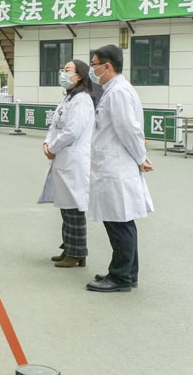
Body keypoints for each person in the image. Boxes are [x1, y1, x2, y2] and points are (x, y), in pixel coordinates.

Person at [86, 45, 154, 293]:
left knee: (119, 222)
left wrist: (140, 157)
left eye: (94, 65)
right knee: (121, 222)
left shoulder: (118, 92)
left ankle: (120, 276)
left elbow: (129, 129)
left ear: (107, 66)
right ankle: (127, 272)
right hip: (113, 166)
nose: (92, 70)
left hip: (116, 167)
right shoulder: (114, 90)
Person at [39, 59, 94, 268]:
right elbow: (54, 126)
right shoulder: (68, 98)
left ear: (78, 76)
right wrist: (47, 144)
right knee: (65, 207)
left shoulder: (82, 100)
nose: (63, 73)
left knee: (74, 207)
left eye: (67, 70)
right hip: (62, 157)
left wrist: (52, 148)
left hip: (73, 160)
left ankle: (77, 252)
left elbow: (72, 131)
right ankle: (69, 248)